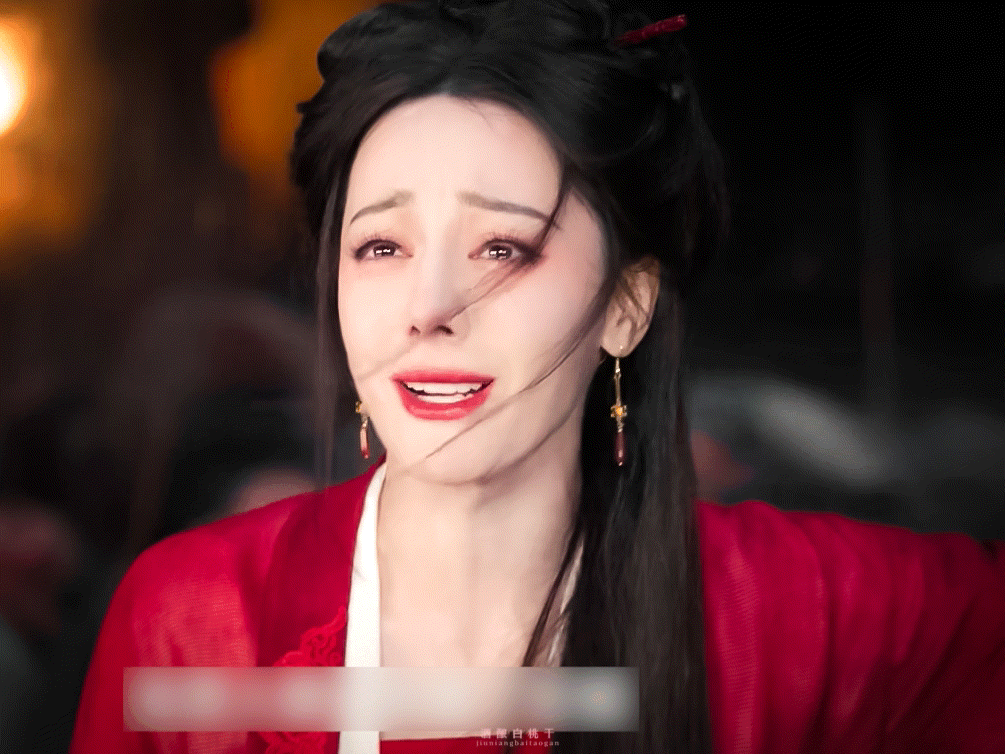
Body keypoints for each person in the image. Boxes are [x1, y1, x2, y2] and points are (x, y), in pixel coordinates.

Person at [70, 1, 1005, 753]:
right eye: (382, 245)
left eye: (503, 247)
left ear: (626, 305)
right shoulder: (194, 621)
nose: (429, 306)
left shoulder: (795, 612)